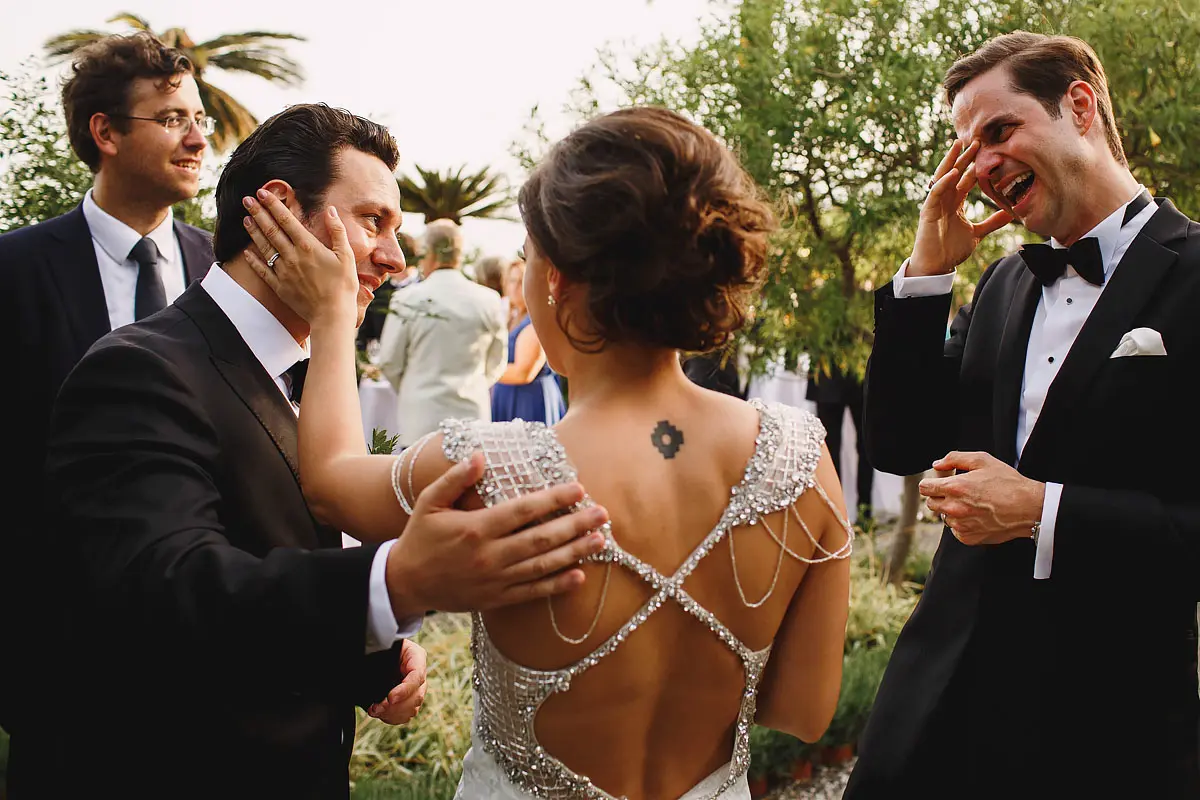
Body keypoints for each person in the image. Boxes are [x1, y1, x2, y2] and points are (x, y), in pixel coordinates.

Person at [242, 105, 854, 800]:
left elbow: (328, 481)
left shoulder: (485, 465)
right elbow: (802, 713)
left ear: (556, 278)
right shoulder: (801, 458)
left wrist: (330, 319)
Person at [43, 103, 607, 798]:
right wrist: (397, 581)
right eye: (373, 221)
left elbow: (281, 564)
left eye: (397, 231)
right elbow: (175, 593)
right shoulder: (140, 370)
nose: (397, 261)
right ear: (279, 207)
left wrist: (373, 652)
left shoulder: (318, 376)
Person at [846, 32, 1200, 798]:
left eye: (998, 132)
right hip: (942, 701)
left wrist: (1045, 511)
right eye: (966, 149)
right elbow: (897, 445)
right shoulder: (1003, 286)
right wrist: (927, 278)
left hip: (1111, 722)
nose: (979, 167)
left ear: (1079, 105)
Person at [0, 32, 213, 792]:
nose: (196, 139)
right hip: (56, 650)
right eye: (171, 119)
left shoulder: (224, 270)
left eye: (200, 119)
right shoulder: (15, 270)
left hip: (203, 644)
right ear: (106, 133)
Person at [376, 219, 508, 447]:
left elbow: (389, 361)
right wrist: (473, 385)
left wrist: (413, 389)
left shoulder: (407, 299)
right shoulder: (489, 300)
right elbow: (496, 363)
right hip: (473, 418)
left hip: (420, 420)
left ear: (428, 253)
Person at [492, 258, 567, 423]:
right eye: (512, 281)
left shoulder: (535, 321)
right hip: (506, 396)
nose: (516, 287)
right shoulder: (509, 317)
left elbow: (523, 373)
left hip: (528, 401)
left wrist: (479, 372)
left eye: (521, 281)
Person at [805, 363, 873, 521]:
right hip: (828, 371)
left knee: (866, 445)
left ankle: (864, 513)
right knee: (829, 449)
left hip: (858, 371)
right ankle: (834, 514)